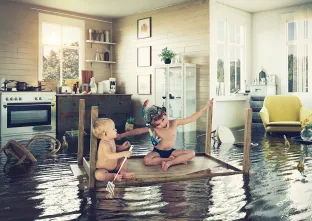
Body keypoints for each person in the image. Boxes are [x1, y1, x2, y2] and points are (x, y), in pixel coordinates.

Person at [117, 98, 214, 172]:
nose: (163, 124)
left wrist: (206, 106)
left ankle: (170, 162)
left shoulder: (175, 123)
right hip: (158, 152)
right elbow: (137, 131)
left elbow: (191, 118)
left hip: (171, 151)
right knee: (146, 160)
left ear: (166, 114)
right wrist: (121, 135)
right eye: (159, 124)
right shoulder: (154, 128)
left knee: (191, 153)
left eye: (163, 119)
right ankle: (172, 160)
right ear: (154, 125)